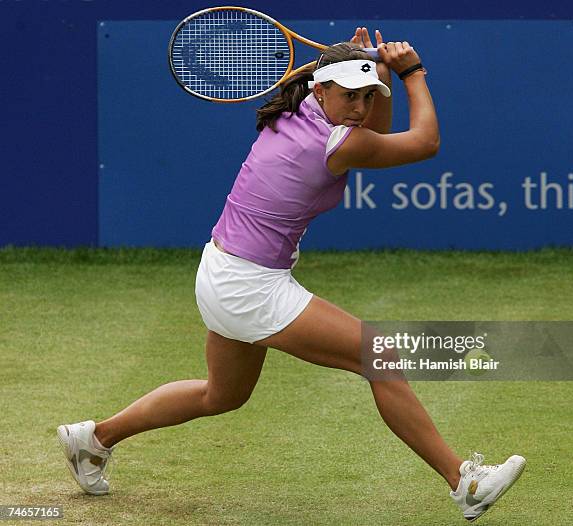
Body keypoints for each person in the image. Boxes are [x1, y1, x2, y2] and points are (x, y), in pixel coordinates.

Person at [57, 28, 525, 522]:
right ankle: (464, 481)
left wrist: (376, 72)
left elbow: (375, 138)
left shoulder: (292, 114)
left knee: (222, 395)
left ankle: (94, 439)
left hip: (219, 270)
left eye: (368, 98)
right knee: (379, 356)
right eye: (351, 96)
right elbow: (424, 142)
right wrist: (412, 72)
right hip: (250, 287)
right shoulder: (335, 144)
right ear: (321, 90)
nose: (361, 108)